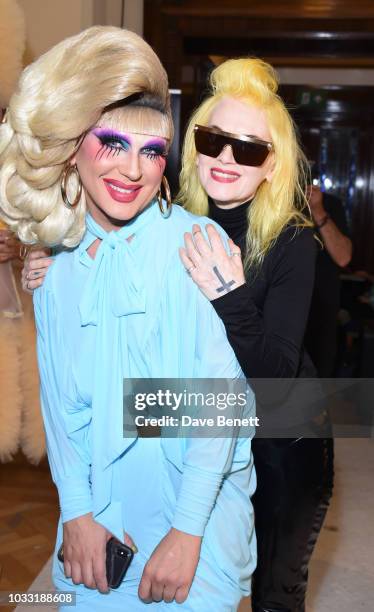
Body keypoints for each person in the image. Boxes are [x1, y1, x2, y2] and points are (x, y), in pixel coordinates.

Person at [0, 26, 256, 611]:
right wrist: (77, 515)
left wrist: (188, 533)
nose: (133, 170)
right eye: (113, 143)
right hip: (98, 508)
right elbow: (60, 406)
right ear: (75, 147)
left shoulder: (198, 245)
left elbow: (219, 405)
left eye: (150, 151)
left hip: (194, 503)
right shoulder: (53, 262)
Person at [177, 59, 333, 612]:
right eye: (214, 140)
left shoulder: (292, 241)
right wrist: (55, 268)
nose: (225, 159)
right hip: (205, 428)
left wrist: (229, 294)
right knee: (198, 580)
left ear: (271, 165)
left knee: (273, 594)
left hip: (282, 441)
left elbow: (274, 375)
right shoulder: (174, 221)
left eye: (247, 149)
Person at [304, 173, 352, 377]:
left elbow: (343, 257)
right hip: (279, 313)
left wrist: (318, 210)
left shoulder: (329, 204)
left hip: (320, 315)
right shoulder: (272, 203)